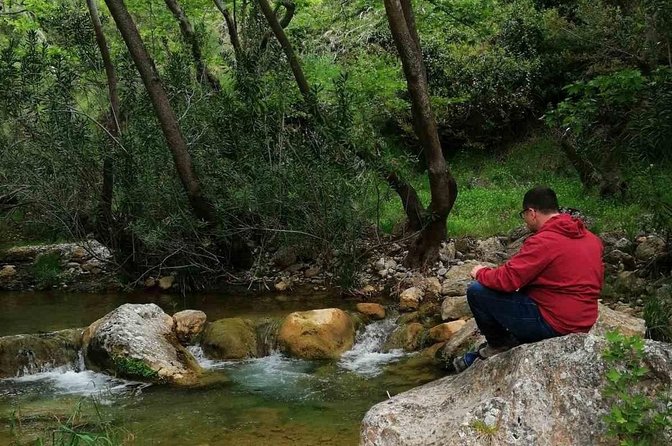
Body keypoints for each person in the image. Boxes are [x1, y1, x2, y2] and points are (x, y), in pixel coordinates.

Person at [450, 186, 604, 373]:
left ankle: (499, 345)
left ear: (532, 213)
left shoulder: (544, 240)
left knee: (477, 291)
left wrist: (481, 272)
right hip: (584, 322)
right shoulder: (591, 239)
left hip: (555, 324)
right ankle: (506, 342)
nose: (524, 220)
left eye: (523, 215)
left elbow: (507, 281)